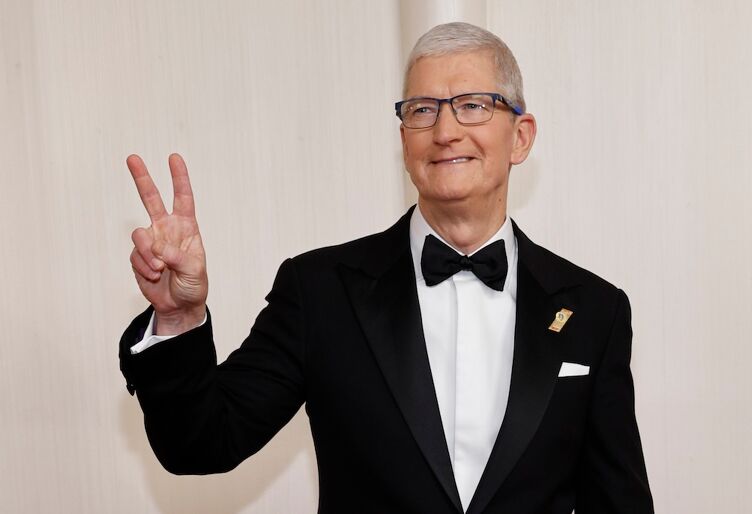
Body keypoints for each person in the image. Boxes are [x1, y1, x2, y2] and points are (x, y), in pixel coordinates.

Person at [120, 22, 653, 514]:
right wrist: (179, 318)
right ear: (404, 140)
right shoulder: (320, 291)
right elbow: (201, 444)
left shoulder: (594, 310)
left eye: (472, 105)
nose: (445, 130)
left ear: (521, 136)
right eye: (422, 109)